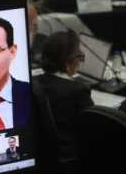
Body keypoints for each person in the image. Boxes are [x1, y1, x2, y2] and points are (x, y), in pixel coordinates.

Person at [34, 30, 94, 159]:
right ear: (67, 62)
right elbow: (92, 129)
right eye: (79, 56)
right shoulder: (78, 91)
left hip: (42, 153)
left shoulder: (34, 82)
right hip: (70, 156)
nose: (80, 61)